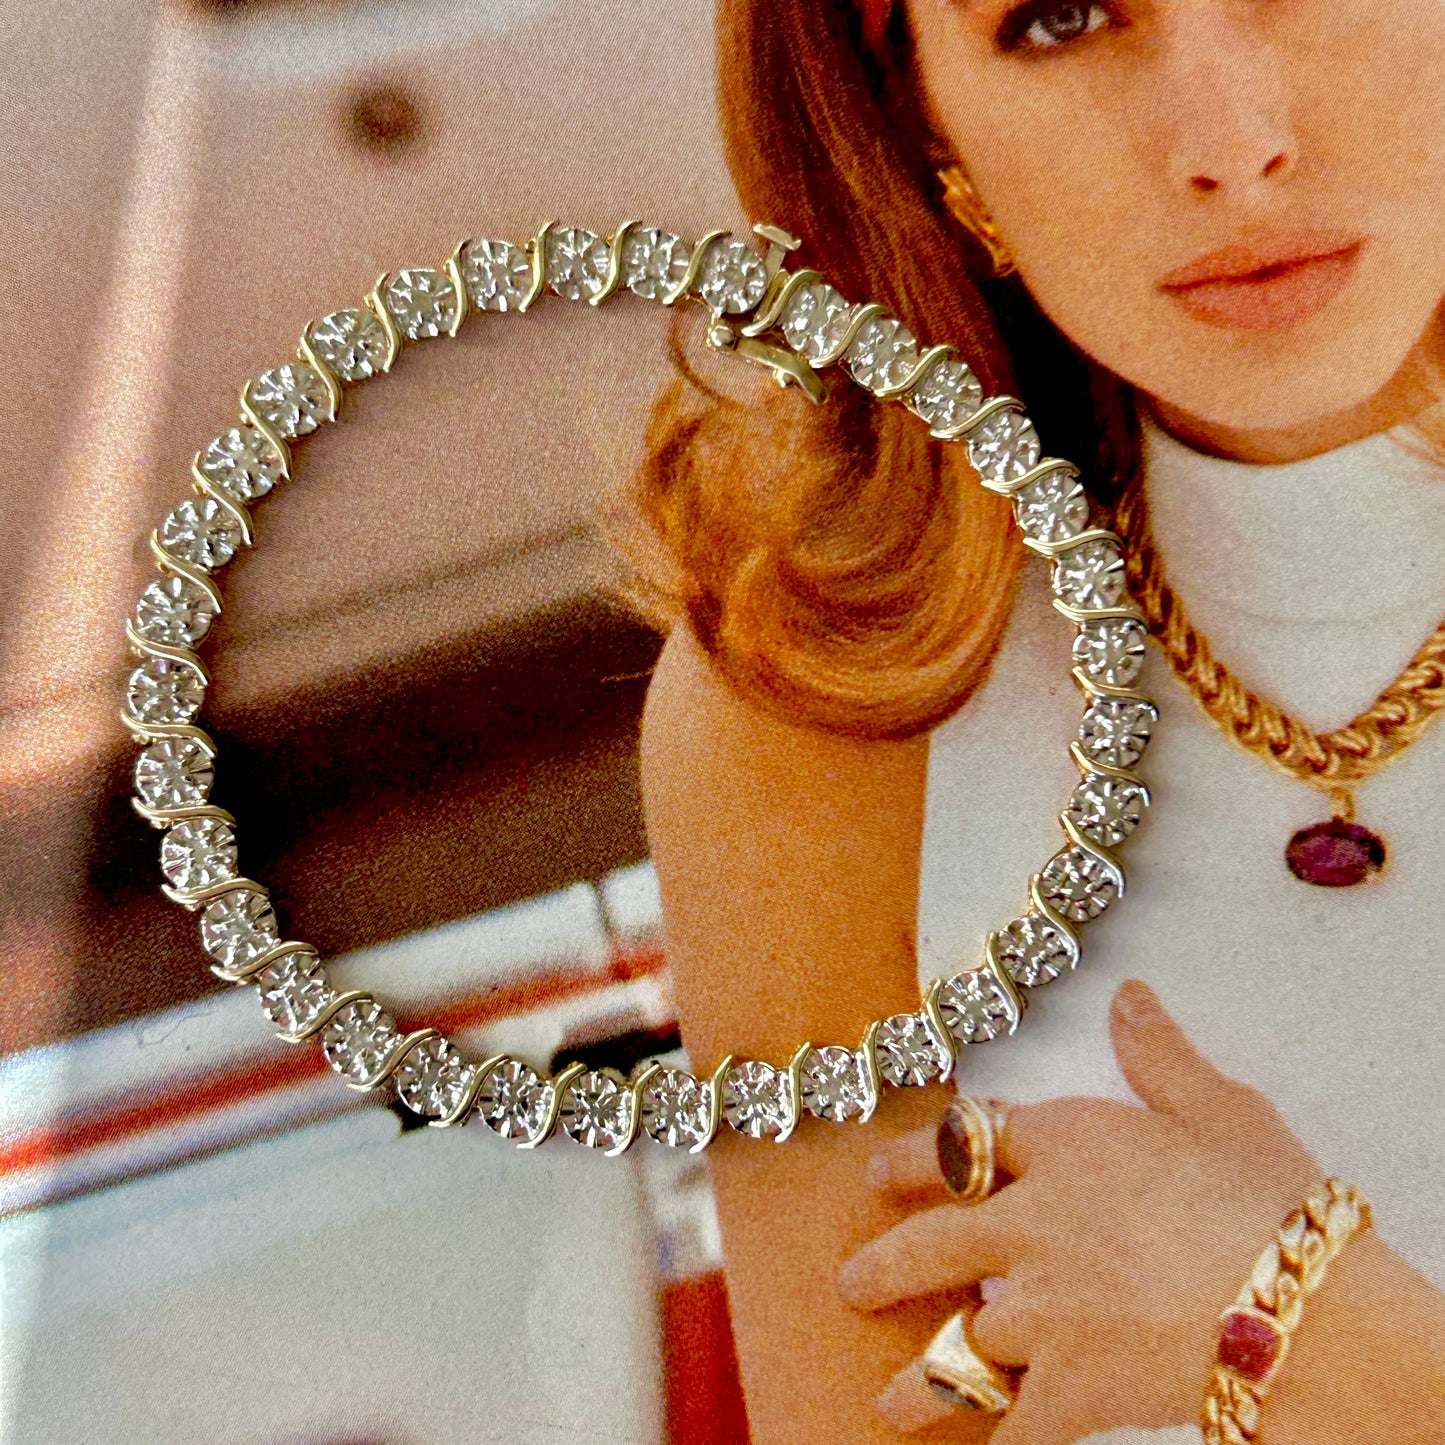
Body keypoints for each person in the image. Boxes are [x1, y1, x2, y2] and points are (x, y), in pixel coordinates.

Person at [633, 0, 1445, 1440]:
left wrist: (1308, 1339)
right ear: (916, 114)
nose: (1231, 144)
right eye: (1059, 18)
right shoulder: (837, 701)